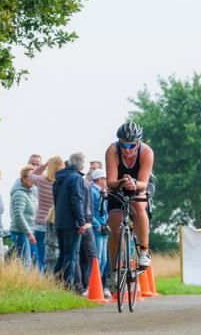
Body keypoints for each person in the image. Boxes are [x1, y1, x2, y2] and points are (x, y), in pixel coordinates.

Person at [105, 121, 154, 291]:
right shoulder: (112, 150)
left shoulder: (146, 152)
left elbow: (144, 182)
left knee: (139, 206)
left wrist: (133, 183)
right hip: (117, 187)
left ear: (138, 142)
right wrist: (122, 182)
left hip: (138, 185)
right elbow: (110, 181)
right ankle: (114, 271)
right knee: (114, 226)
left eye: (131, 145)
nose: (127, 149)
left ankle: (143, 251)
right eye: (123, 144)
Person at [53, 153, 90, 293]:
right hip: (72, 223)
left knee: (63, 254)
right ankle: (68, 288)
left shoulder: (58, 179)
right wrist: (81, 222)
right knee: (71, 256)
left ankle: (54, 284)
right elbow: (77, 200)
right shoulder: (76, 178)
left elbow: (56, 202)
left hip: (60, 222)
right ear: (80, 163)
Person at [31, 156, 64, 273]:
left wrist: (43, 166)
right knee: (55, 253)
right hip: (55, 221)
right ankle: (53, 278)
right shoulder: (62, 182)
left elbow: (32, 174)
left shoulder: (41, 180)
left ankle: (41, 279)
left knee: (40, 256)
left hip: (40, 222)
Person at [76, 155, 97, 294]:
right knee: (90, 255)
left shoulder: (86, 185)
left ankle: (86, 285)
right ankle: (87, 285)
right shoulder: (85, 185)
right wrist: (87, 221)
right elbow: (85, 206)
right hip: (86, 223)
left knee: (84, 256)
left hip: (85, 222)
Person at [10, 165, 38, 269]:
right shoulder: (20, 194)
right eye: (31, 178)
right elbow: (18, 215)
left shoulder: (30, 193)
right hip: (21, 232)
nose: (34, 180)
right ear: (23, 179)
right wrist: (29, 233)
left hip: (29, 232)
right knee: (25, 263)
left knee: (32, 261)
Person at [91, 168, 111, 297]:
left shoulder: (103, 191)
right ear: (99, 179)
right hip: (98, 228)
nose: (106, 181)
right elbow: (89, 209)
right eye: (104, 178)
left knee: (103, 259)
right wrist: (96, 224)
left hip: (104, 228)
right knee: (98, 258)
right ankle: (93, 286)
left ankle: (101, 286)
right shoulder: (92, 191)